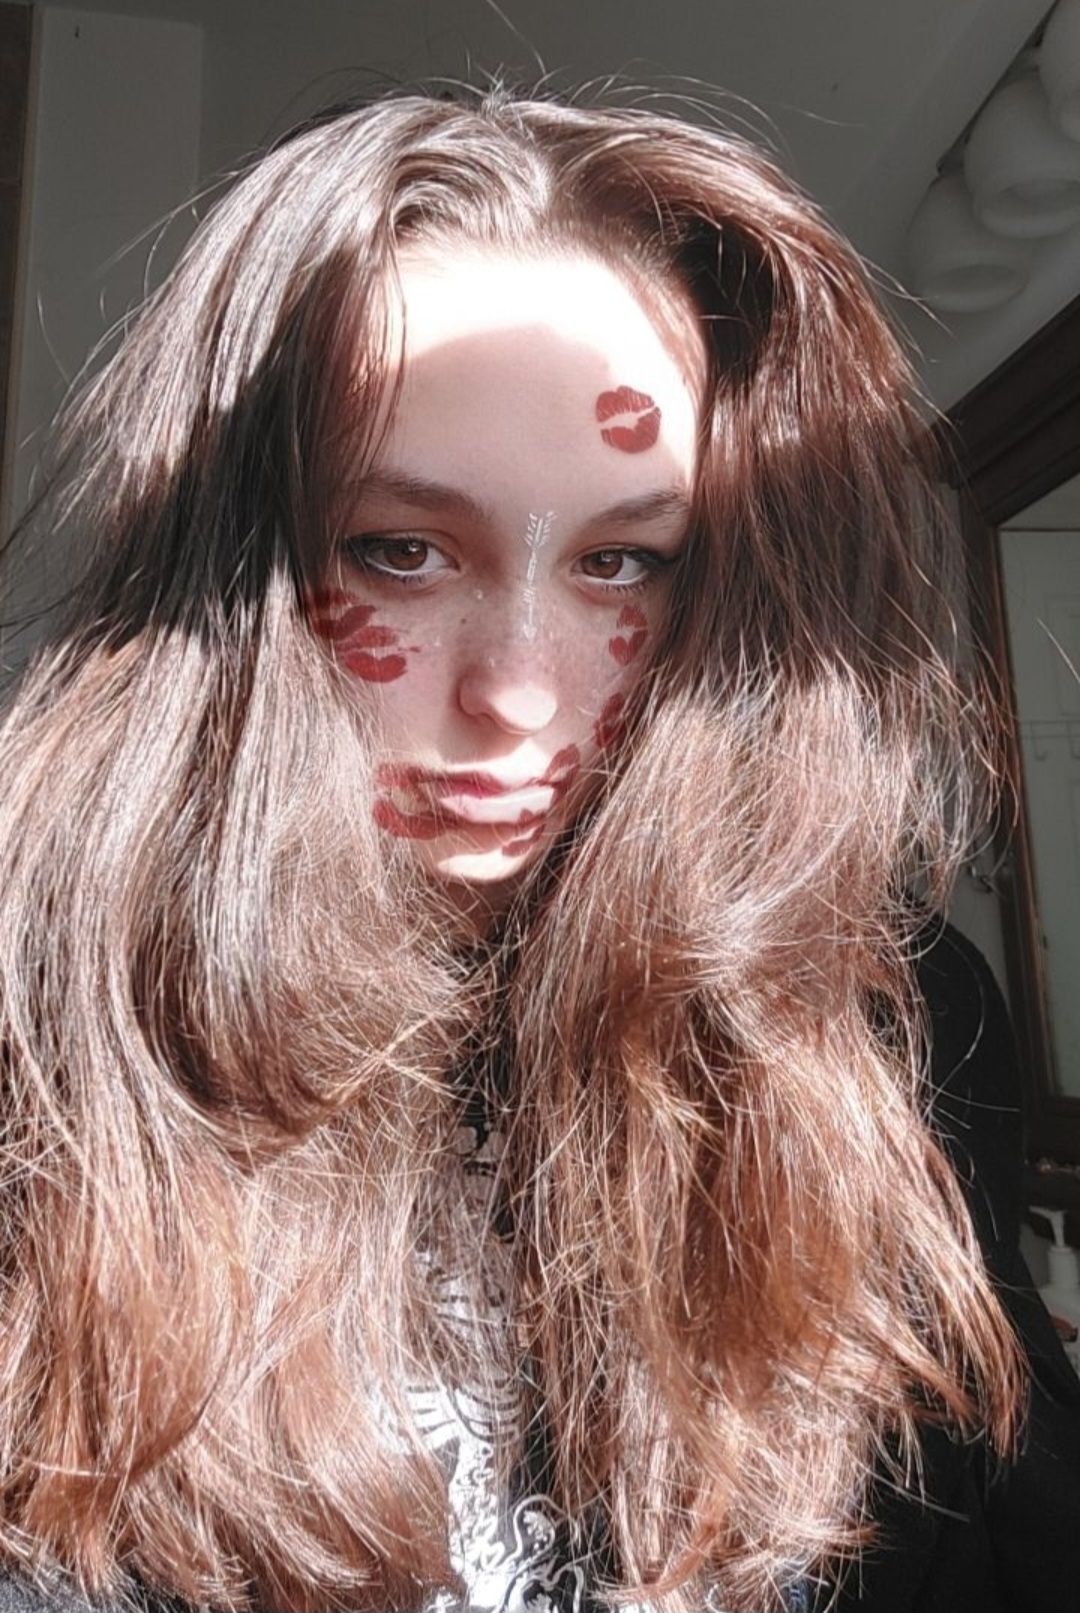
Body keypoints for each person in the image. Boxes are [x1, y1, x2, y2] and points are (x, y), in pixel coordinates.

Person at [0, 83, 1069, 1613]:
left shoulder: (884, 1027)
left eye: (624, 559)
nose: (519, 693)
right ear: (234, 563)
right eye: (401, 549)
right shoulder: (44, 1073)